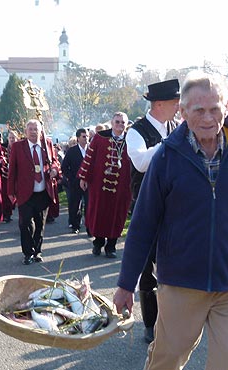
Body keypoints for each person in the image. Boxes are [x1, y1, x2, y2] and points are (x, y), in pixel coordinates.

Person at [113, 71, 228, 370]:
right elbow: (143, 224)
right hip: (181, 281)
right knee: (169, 358)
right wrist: (126, 284)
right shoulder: (166, 157)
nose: (208, 118)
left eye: (215, 108)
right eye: (199, 110)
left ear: (227, 107)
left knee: (227, 362)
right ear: (183, 111)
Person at [125, 78, 180, 343]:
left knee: (172, 265)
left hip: (175, 208)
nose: (179, 106)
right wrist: (168, 144)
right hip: (147, 207)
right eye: (174, 102)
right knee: (147, 270)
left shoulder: (175, 126)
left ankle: (170, 320)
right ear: (159, 104)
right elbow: (141, 162)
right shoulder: (136, 131)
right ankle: (149, 322)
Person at [79, 112, 132, 258]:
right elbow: (89, 157)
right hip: (99, 184)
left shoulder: (131, 139)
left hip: (122, 186)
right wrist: (83, 177)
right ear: (112, 122)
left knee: (117, 215)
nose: (120, 125)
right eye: (117, 122)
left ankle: (111, 246)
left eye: (123, 122)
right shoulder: (100, 137)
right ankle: (98, 242)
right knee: (99, 213)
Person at [7, 119, 60, 265]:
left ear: (40, 131)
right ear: (25, 131)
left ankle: (37, 251)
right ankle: (28, 253)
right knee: (25, 224)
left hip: (43, 191)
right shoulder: (18, 147)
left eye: (36, 129)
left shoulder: (47, 144)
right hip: (25, 193)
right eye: (30, 129)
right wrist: (10, 191)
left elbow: (54, 161)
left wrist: (55, 169)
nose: (33, 131)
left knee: (40, 224)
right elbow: (12, 170)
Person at [61, 128, 88, 234]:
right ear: (78, 138)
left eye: (87, 136)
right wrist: (71, 179)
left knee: (89, 204)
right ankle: (75, 225)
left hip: (88, 183)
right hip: (75, 183)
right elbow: (64, 167)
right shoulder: (72, 151)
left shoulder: (91, 150)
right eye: (84, 136)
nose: (86, 138)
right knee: (75, 205)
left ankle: (89, 226)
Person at [1, 130, 19, 223]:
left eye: (13, 138)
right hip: (6, 175)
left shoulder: (20, 149)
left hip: (17, 175)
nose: (12, 139)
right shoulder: (3, 148)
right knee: (6, 194)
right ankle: (6, 214)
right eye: (10, 138)